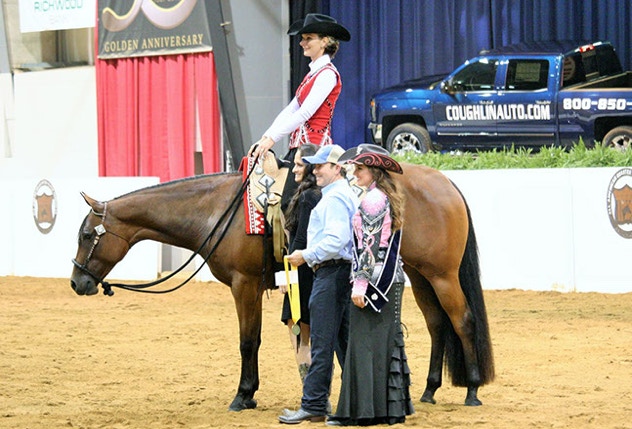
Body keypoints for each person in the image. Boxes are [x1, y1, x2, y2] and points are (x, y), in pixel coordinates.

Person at [327, 144, 414, 426]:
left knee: (363, 345)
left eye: (360, 168)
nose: (355, 173)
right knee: (385, 343)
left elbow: (369, 245)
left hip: (374, 281)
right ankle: (386, 410)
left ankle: (362, 412)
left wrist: (360, 285)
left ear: (375, 171)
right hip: (389, 278)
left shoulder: (373, 200)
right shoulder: (385, 196)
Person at [279, 144, 359, 424]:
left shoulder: (334, 199)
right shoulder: (340, 194)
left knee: (322, 342)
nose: (315, 171)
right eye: (313, 166)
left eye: (320, 166)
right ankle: (354, 403)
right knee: (344, 342)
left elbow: (335, 241)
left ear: (337, 168)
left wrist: (306, 255)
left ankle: (314, 403)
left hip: (330, 272)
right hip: (340, 273)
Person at [248, 13, 351, 209]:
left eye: (308, 38)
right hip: (299, 148)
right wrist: (266, 136)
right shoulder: (312, 75)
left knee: (293, 203)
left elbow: (305, 113)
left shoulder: (327, 74)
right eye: (302, 38)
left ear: (324, 41)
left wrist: (272, 139)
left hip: (314, 150)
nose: (302, 43)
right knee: (284, 202)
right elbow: (291, 109)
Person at [279, 143, 321, 384]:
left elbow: (300, 240)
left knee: (299, 331)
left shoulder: (305, 198)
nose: (294, 170)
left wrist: (287, 274)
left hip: (301, 272)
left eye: (298, 165)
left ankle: (310, 389)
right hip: (309, 270)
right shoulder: (316, 194)